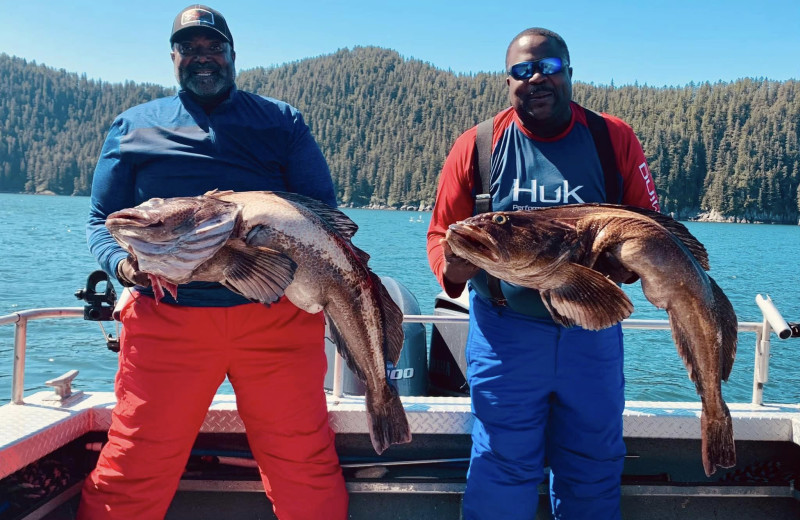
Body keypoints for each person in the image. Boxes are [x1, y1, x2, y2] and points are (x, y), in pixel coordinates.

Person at [80, 5, 348, 519]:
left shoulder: (281, 121)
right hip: (165, 319)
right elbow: (101, 219)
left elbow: (322, 214)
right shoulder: (133, 126)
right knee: (135, 460)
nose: (203, 58)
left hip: (276, 318)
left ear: (231, 55)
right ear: (174, 58)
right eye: (190, 49)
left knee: (302, 460)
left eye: (213, 48)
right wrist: (123, 268)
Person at [426, 28, 660, 519]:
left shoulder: (611, 137)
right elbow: (440, 235)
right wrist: (453, 265)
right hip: (504, 332)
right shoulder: (479, 146)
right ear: (507, 80)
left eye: (549, 67)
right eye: (522, 70)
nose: (537, 78)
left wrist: (631, 266)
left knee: (593, 466)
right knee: (501, 464)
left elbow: (650, 227)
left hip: (590, 332)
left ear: (569, 73)